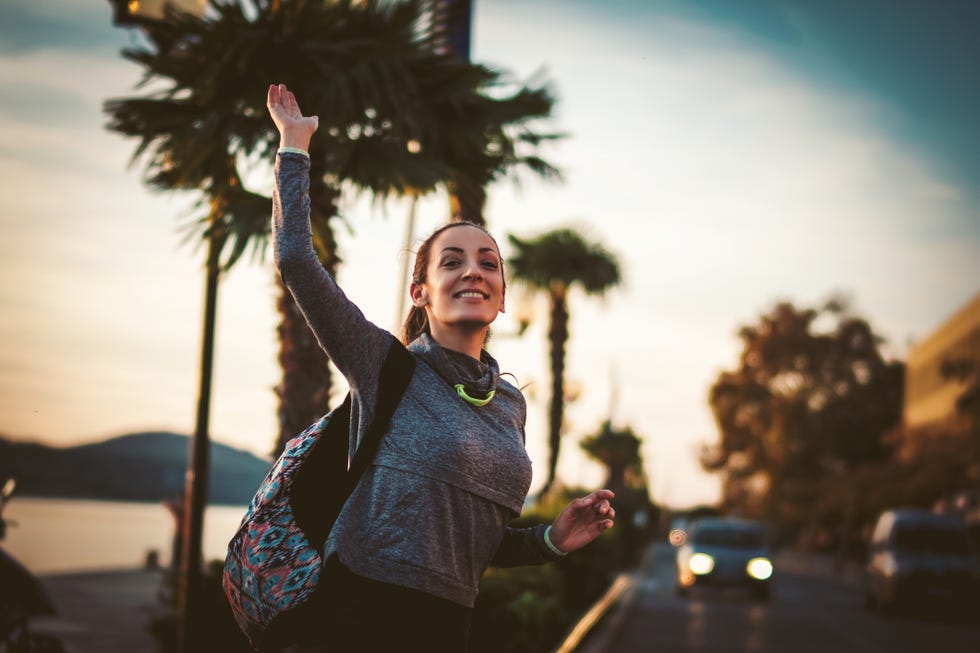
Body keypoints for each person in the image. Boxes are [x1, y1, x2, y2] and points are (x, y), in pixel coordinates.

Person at [267, 83, 614, 652]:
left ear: (501, 298)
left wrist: (551, 539)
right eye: (451, 262)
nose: (472, 271)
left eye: (488, 264)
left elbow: (476, 544)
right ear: (421, 292)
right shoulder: (384, 366)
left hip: (448, 631)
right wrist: (294, 147)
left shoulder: (509, 404)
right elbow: (296, 261)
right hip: (356, 620)